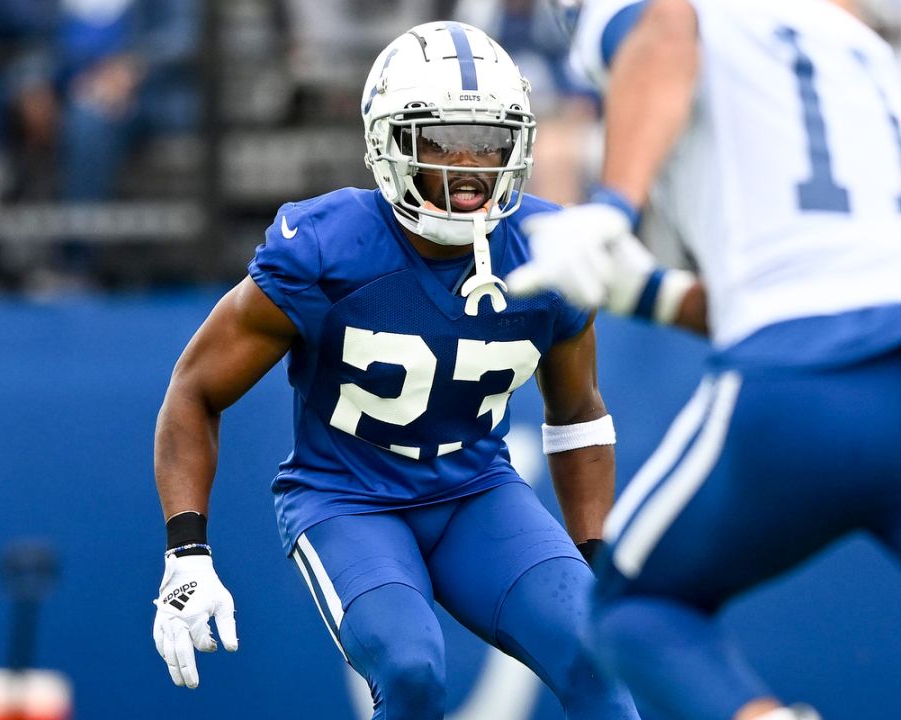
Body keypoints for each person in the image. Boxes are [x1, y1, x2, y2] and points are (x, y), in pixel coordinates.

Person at [508, 1, 901, 719]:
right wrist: (652, 293)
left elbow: (667, 25)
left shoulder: (683, 20)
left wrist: (613, 205)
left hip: (803, 384)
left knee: (636, 608)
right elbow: (837, 262)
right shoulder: (850, 34)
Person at [150, 21, 640, 720]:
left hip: (476, 491)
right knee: (410, 669)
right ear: (389, 144)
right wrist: (186, 554)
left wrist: (594, 558)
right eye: (441, 141)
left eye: (490, 143)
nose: (469, 168)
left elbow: (579, 412)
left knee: (598, 651)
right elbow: (196, 389)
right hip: (346, 499)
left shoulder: (549, 251)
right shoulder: (327, 248)